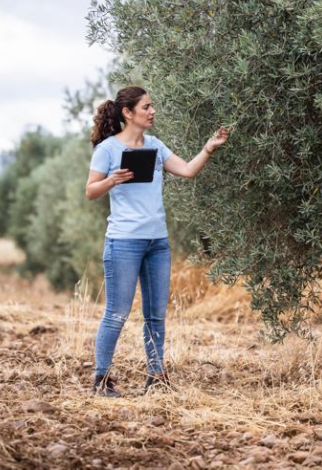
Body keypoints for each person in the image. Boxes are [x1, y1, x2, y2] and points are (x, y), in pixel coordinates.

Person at [86, 86, 228, 397]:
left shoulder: (155, 146)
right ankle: (101, 379)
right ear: (128, 113)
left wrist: (209, 147)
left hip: (157, 243)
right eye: (146, 107)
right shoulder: (107, 150)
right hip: (124, 242)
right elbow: (90, 191)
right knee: (117, 312)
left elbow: (188, 171)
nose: (152, 112)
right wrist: (113, 180)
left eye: (152, 106)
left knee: (155, 314)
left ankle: (156, 376)